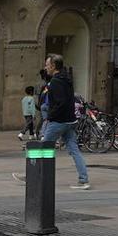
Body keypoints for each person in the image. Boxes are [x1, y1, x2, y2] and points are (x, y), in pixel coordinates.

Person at [41, 53, 90, 189]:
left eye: (47, 64)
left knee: (41, 148)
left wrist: (50, 116)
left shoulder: (56, 81)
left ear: (53, 66)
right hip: (70, 120)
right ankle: (83, 179)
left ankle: (33, 176)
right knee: (74, 150)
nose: (45, 67)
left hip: (59, 121)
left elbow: (60, 103)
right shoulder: (67, 79)